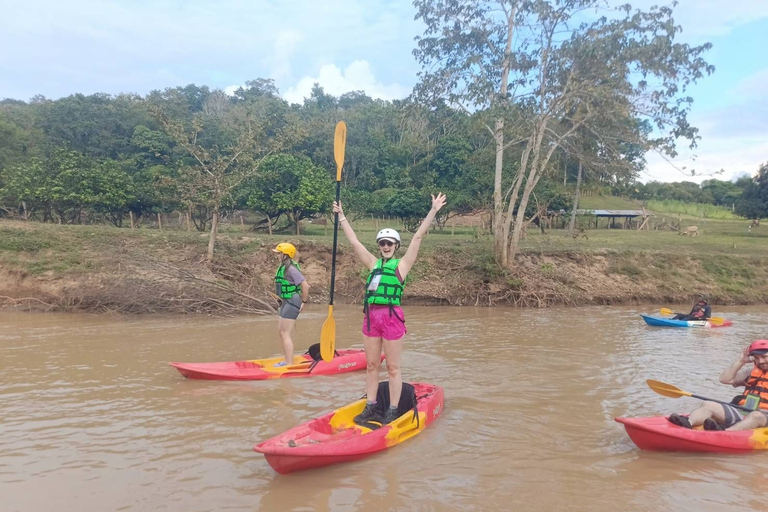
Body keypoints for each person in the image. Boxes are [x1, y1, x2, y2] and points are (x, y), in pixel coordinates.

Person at [332, 193, 447, 425]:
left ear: (395, 246)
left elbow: (417, 237)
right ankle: (371, 406)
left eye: (389, 243)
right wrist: (342, 217)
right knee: (372, 365)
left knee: (393, 367)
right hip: (371, 318)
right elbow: (354, 243)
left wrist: (433, 210)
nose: (385, 246)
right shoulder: (373, 264)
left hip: (391, 318)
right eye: (382, 243)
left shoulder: (401, 266)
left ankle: (393, 409)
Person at [668, 340, 768, 431]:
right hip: (743, 412)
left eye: (764, 357)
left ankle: (724, 433)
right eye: (757, 358)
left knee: (756, 415)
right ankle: (688, 423)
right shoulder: (750, 373)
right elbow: (724, 379)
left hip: (763, 417)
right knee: (708, 404)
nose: (761, 361)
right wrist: (740, 361)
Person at [272, 243, 309, 367]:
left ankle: (289, 363)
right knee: (281, 332)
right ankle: (286, 360)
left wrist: (304, 302)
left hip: (293, 301)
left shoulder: (291, 269)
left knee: (285, 333)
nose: (277, 255)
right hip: (285, 301)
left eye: (279, 253)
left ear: (285, 255)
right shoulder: (283, 268)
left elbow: (305, 286)